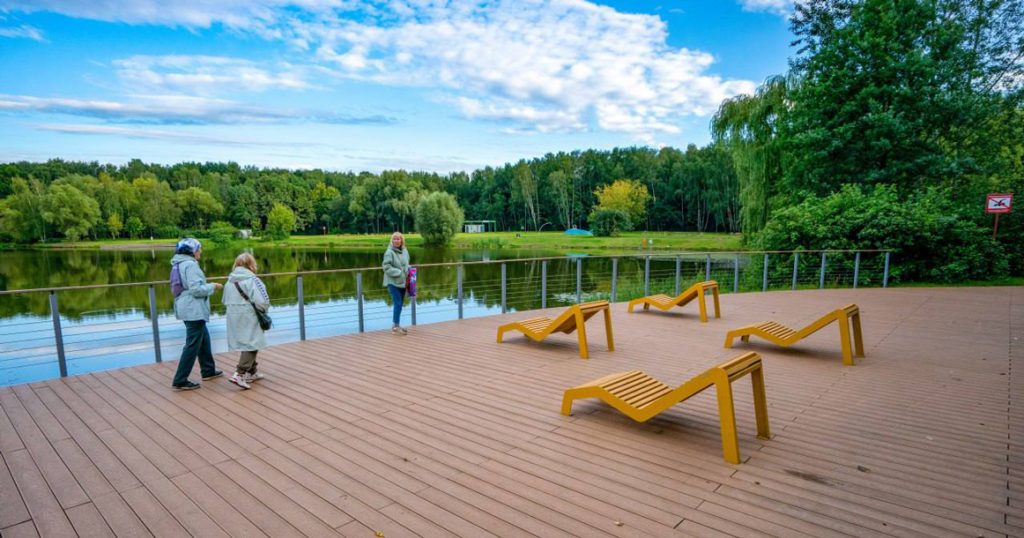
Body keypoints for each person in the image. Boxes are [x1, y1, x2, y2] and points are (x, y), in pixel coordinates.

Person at [170, 238, 222, 390]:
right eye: (199, 249)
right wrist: (213, 286)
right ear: (192, 251)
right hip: (193, 309)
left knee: (203, 338)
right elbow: (196, 290)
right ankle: (180, 380)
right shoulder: (190, 265)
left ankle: (208, 370)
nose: (201, 251)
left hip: (185, 306)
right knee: (192, 344)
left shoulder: (178, 264)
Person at [222, 253, 270, 389]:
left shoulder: (229, 281)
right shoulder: (253, 280)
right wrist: (264, 311)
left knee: (247, 341)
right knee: (252, 343)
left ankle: (251, 372)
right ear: (251, 264)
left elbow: (224, 300)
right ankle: (239, 373)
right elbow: (263, 301)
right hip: (250, 315)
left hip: (233, 315)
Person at [382, 231, 410, 335]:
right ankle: (395, 327)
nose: (396, 241)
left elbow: (406, 264)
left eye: (398, 239)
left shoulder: (405, 251)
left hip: (403, 281)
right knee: (397, 303)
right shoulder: (389, 252)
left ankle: (396, 325)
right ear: (392, 240)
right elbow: (386, 267)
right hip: (392, 281)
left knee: (400, 303)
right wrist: (399, 272)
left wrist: (409, 269)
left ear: (402, 240)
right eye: (394, 239)